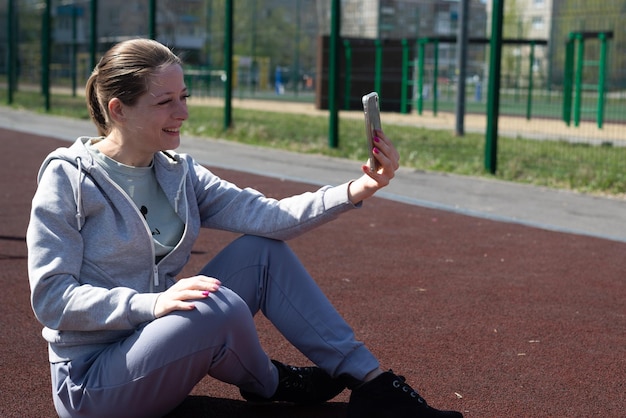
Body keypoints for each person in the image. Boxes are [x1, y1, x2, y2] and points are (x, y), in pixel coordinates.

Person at [26, 38, 463, 418]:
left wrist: (360, 186)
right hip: (94, 387)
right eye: (165, 102)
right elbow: (52, 299)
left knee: (262, 251)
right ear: (118, 109)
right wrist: (151, 304)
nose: (183, 112)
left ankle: (371, 384)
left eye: (185, 96)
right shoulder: (68, 179)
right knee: (215, 304)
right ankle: (270, 382)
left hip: (156, 348)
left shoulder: (179, 173)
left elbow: (270, 217)